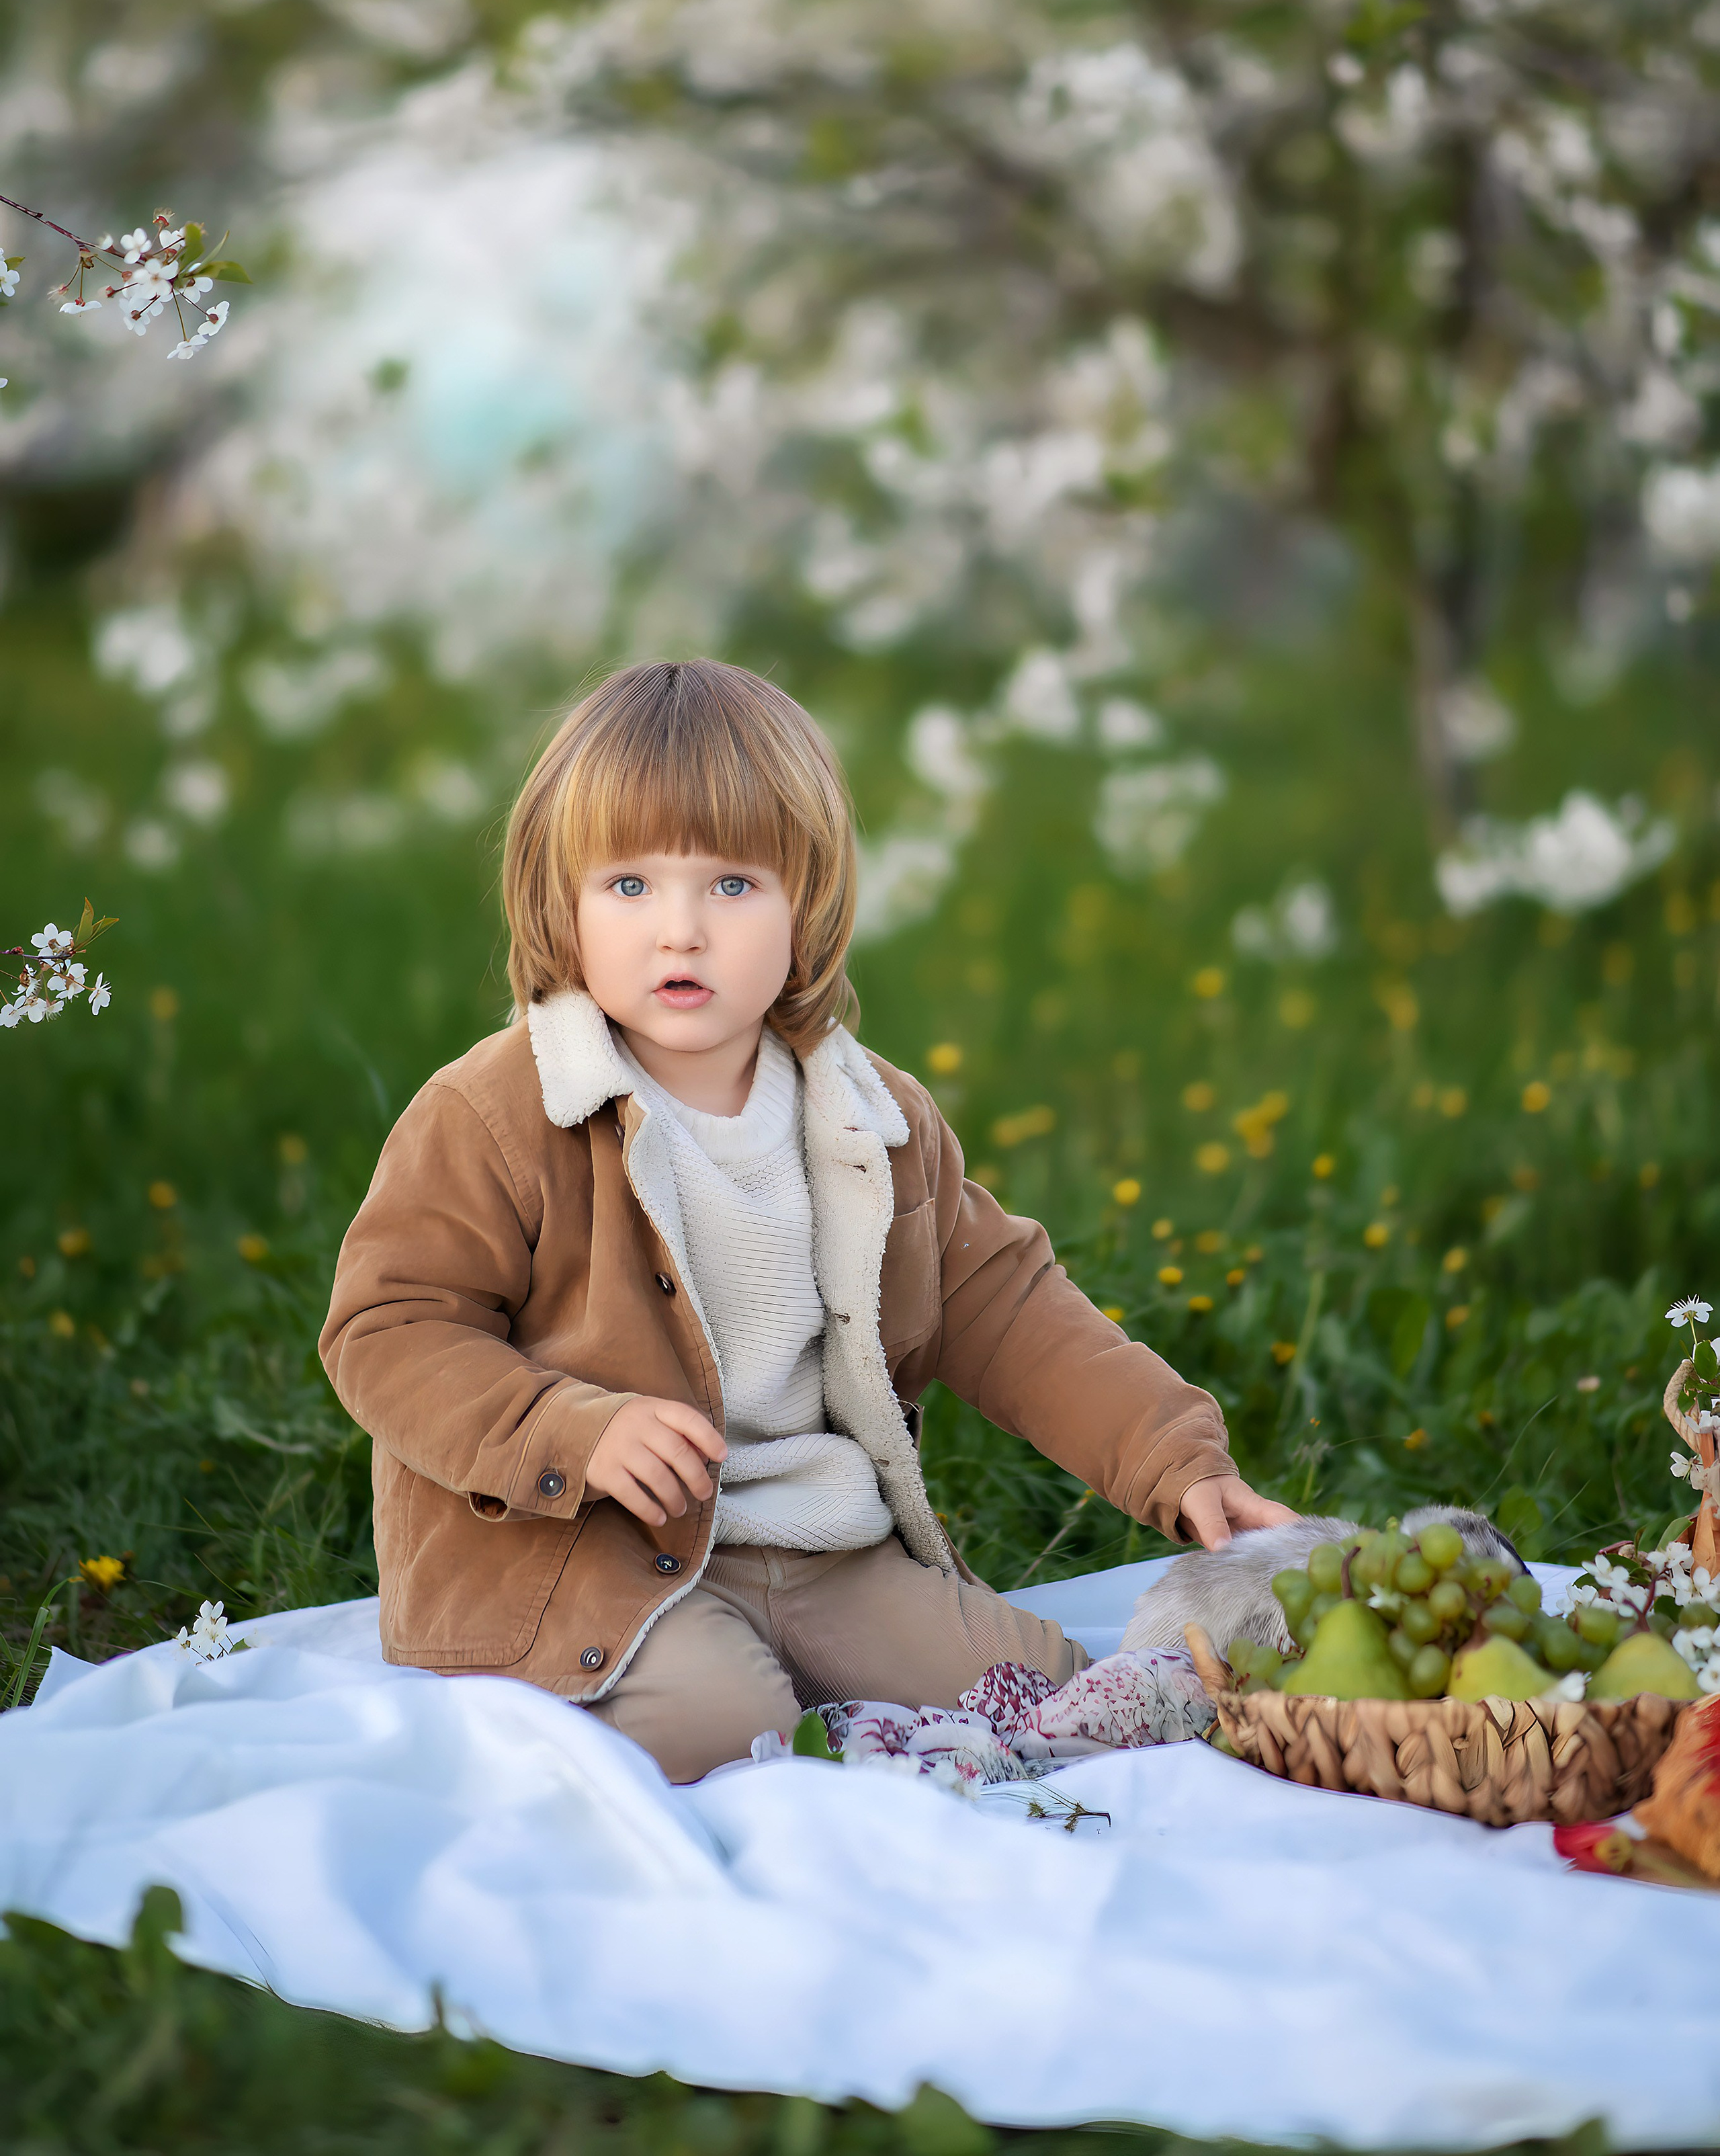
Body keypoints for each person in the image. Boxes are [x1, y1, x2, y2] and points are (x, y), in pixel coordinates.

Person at [320, 659, 1292, 1781]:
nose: (679, 931)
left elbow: (1009, 1308)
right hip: (588, 1557)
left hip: (822, 1549)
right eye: (629, 885)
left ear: (806, 903)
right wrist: (571, 1429)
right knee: (731, 1734)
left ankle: (861, 1721)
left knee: (1052, 1700)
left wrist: (1175, 1457)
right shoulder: (500, 1109)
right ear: (560, 901)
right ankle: (709, 1713)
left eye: (732, 885)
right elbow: (386, 1328)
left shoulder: (867, 1118)